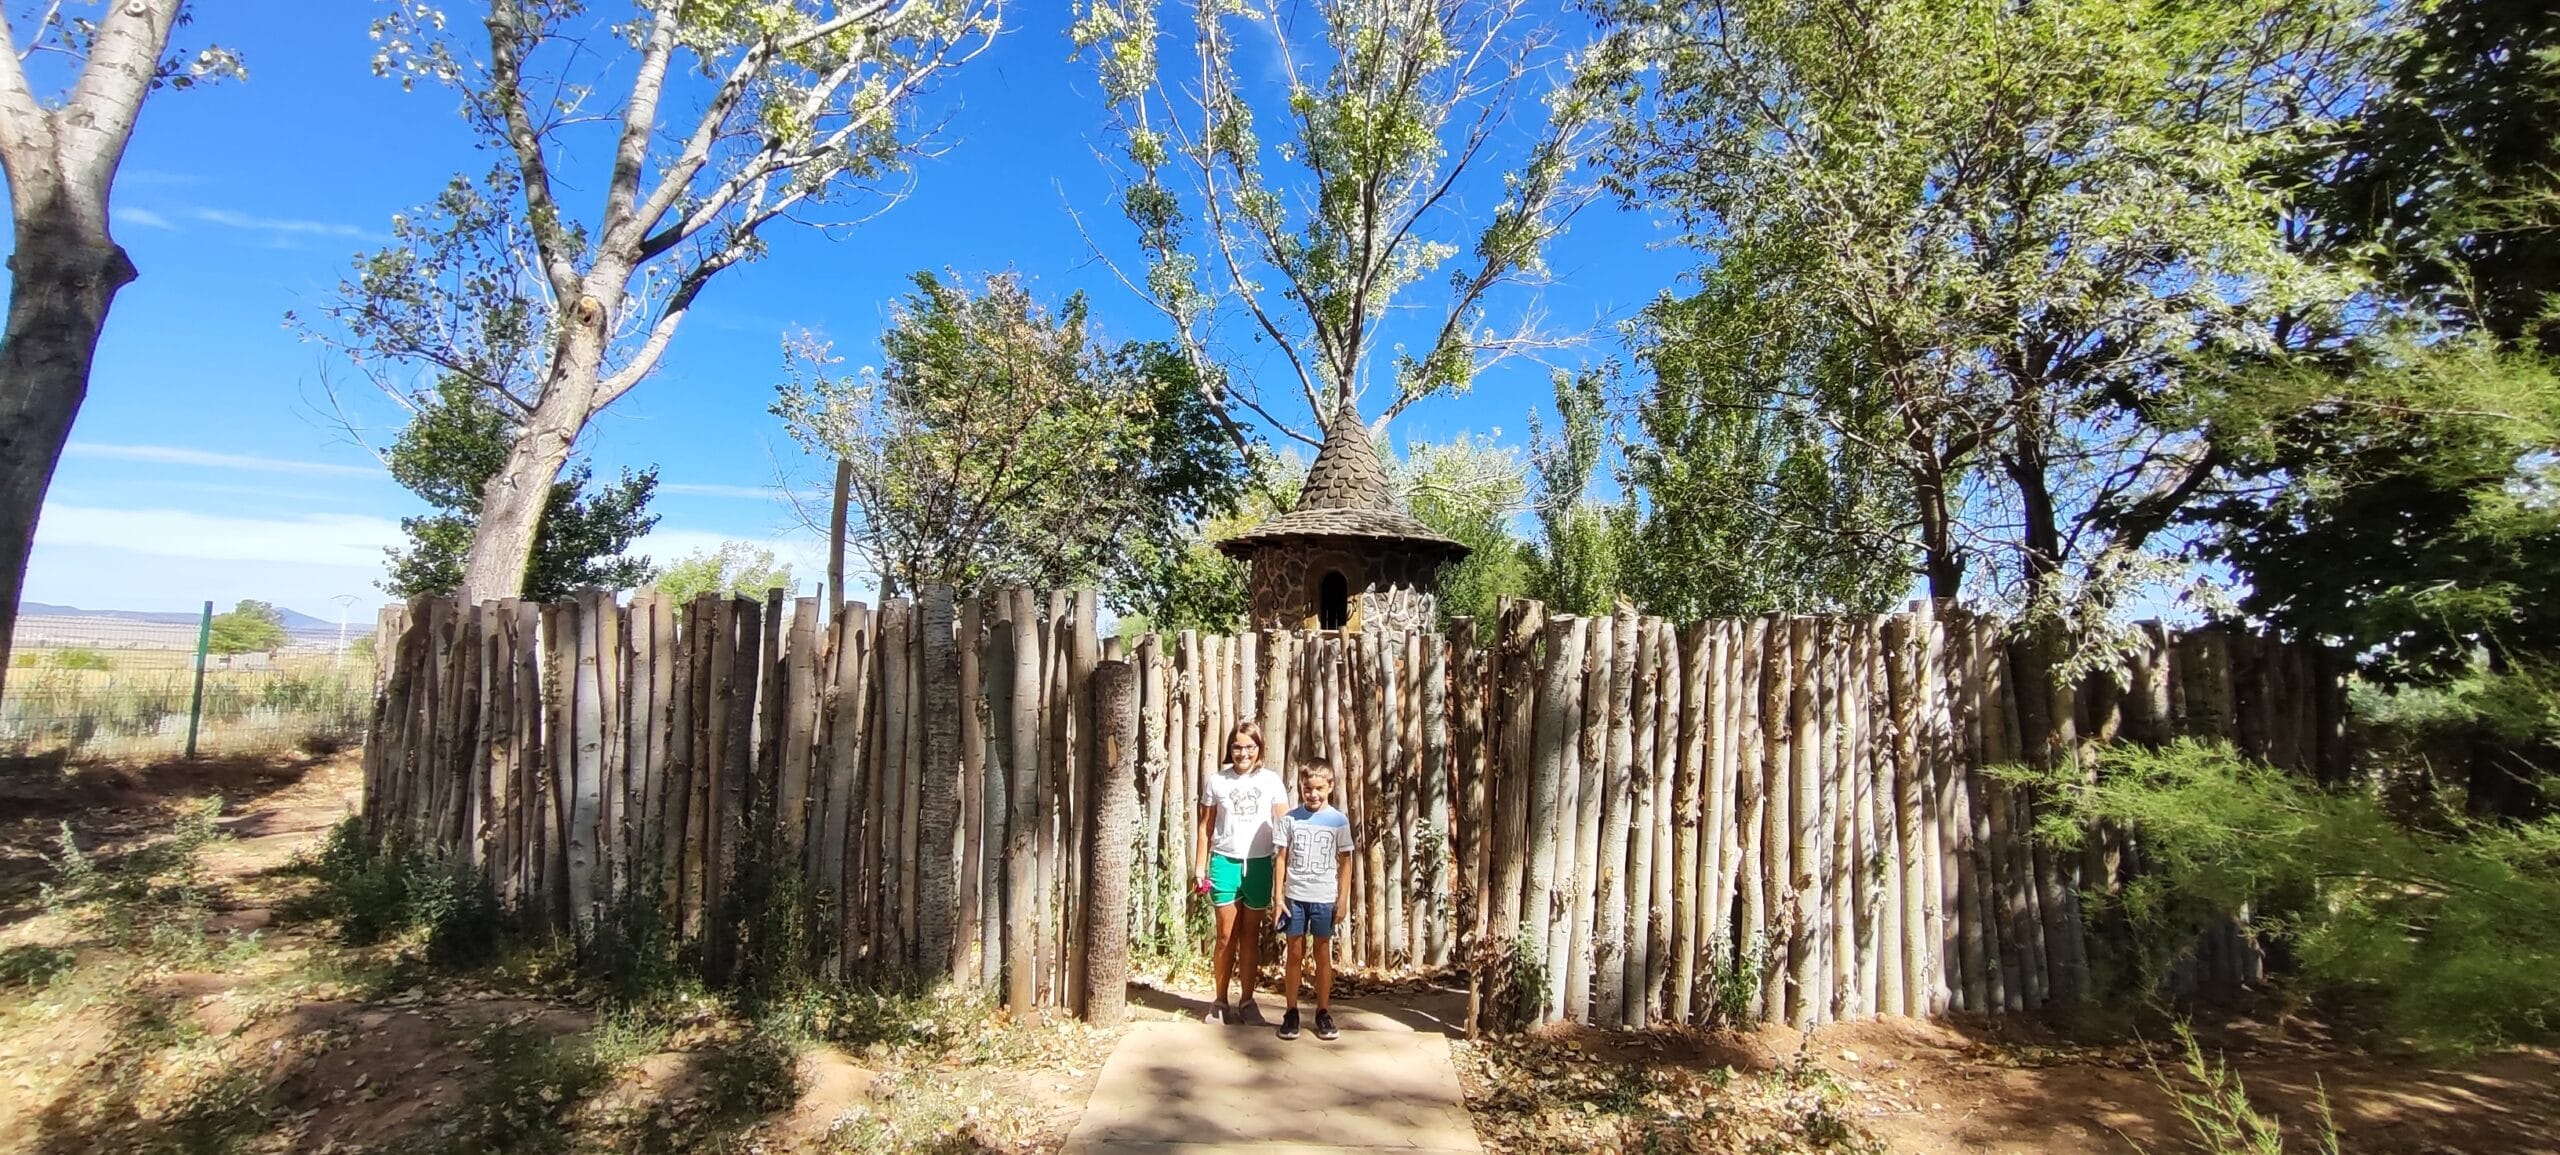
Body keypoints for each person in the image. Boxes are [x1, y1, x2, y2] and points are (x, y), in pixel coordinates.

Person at [1195, 720, 1285, 1024]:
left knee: (1250, 937)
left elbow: (1284, 824)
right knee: (1225, 936)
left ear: (1259, 748)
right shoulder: (1217, 781)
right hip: (1225, 862)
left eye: (1249, 747)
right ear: (1229, 749)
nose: (1243, 753)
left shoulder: (1271, 781)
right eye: (1237, 747)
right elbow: (1205, 827)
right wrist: (1199, 867)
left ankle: (1247, 1001)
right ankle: (1220, 1001)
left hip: (1259, 865)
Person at [1271, 763, 1353, 1041]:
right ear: (1301, 788)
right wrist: (1278, 898)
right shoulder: (1290, 819)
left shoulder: (1338, 821)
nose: (1313, 794)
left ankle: (1323, 1011)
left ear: (1330, 787)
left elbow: (1346, 861)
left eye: (1319, 788)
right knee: (1294, 953)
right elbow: (1281, 858)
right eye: (1308, 789)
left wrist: (1342, 900)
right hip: (1295, 897)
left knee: (1322, 953)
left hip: (1324, 898)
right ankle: (1291, 1011)